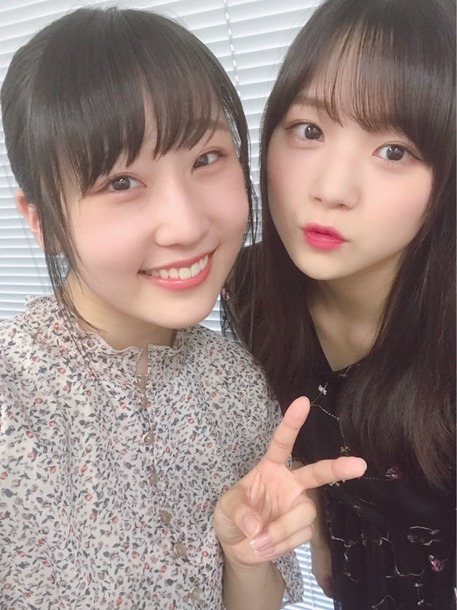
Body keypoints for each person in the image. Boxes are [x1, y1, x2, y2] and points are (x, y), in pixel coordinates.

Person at [0, 6, 368, 610]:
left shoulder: (237, 382)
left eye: (205, 159)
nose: (188, 225)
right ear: (41, 221)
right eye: (121, 182)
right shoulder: (14, 400)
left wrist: (246, 557)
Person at [224, 0, 456, 608]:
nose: (331, 189)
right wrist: (322, 527)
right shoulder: (247, 289)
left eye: (394, 151)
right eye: (310, 130)